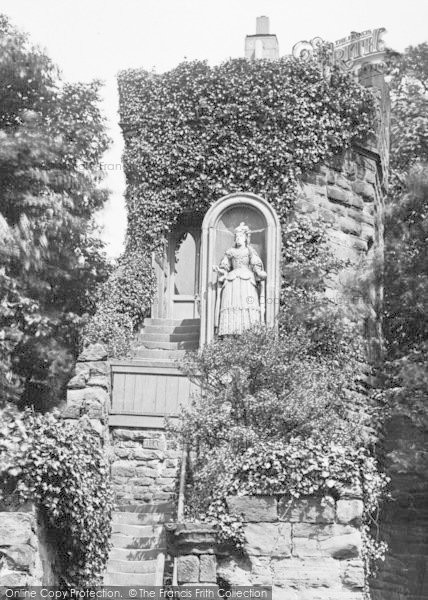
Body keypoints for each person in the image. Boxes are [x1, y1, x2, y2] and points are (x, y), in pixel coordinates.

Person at [213, 222, 267, 335]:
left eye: (241, 236)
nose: (238, 239)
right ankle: (231, 332)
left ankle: (249, 332)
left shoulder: (249, 251)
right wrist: (220, 270)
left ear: (246, 238)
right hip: (232, 282)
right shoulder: (230, 252)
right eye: (236, 236)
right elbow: (225, 267)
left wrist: (259, 272)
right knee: (232, 305)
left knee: (248, 304)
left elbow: (255, 265)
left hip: (247, 281)